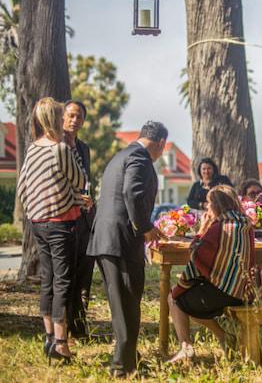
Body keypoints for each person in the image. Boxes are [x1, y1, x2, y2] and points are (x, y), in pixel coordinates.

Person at [87, 121, 165, 377]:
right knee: (127, 302)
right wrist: (144, 226)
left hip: (106, 238)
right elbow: (132, 192)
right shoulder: (140, 159)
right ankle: (122, 367)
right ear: (161, 144)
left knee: (122, 302)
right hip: (120, 239)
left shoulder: (122, 155)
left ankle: (129, 356)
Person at [17, 98, 88, 364]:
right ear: (54, 119)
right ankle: (61, 343)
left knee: (48, 279)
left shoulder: (33, 149)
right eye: (61, 116)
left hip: (38, 224)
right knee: (63, 281)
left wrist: (38, 210)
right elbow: (79, 180)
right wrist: (74, 199)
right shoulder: (61, 149)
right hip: (61, 224)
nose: (64, 120)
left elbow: (23, 188)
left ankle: (49, 338)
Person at [167, 185, 255, 363]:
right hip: (243, 292)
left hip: (222, 292)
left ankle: (186, 346)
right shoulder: (246, 225)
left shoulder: (218, 228)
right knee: (188, 296)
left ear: (216, 205)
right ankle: (224, 337)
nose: (206, 207)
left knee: (175, 297)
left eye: (208, 203)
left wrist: (202, 229)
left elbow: (196, 255)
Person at [63, 100, 95, 339]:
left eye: (79, 117)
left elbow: (86, 180)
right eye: (71, 115)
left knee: (85, 271)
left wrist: (89, 200)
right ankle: (64, 325)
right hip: (63, 217)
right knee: (68, 274)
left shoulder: (84, 148)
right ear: (63, 117)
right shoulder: (55, 145)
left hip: (85, 218)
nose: (75, 121)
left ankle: (80, 325)